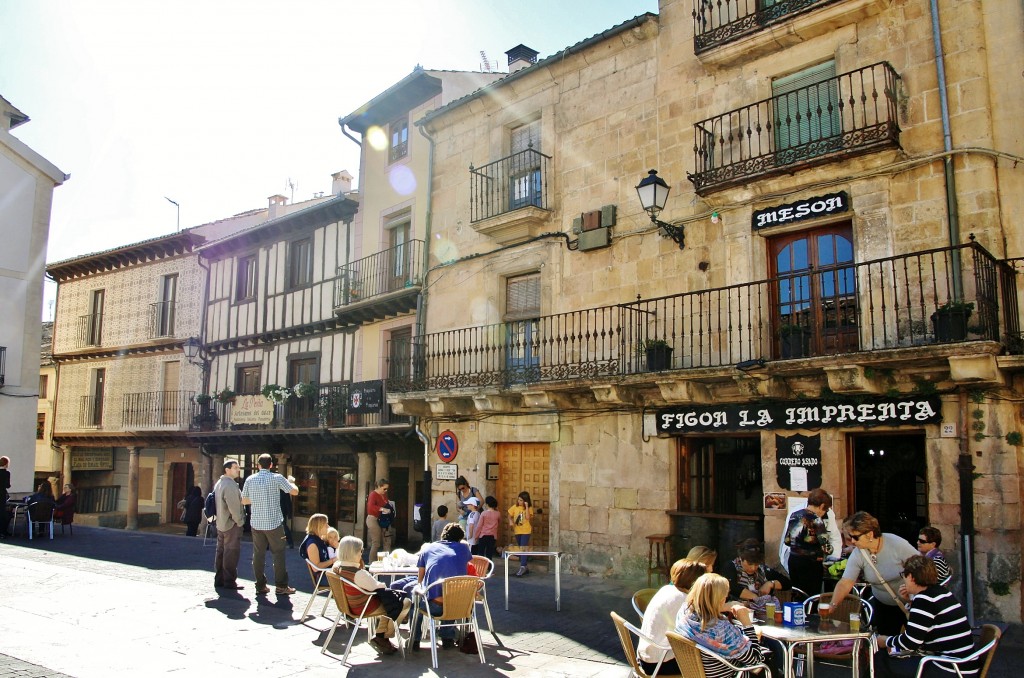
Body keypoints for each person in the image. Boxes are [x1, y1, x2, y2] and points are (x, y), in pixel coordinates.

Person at [873, 556, 976, 678]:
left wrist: (885, 641)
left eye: (904, 575)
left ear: (911, 577)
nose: (904, 580)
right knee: (891, 659)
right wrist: (911, 602)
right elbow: (922, 627)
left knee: (880, 661)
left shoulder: (924, 600)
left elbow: (911, 642)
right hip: (964, 663)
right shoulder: (941, 592)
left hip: (950, 668)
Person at [831, 511, 919, 635]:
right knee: (885, 644)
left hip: (910, 603)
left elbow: (921, 567)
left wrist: (912, 590)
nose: (852, 541)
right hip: (883, 605)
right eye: (850, 537)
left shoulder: (897, 544)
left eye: (855, 537)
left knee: (915, 641)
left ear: (870, 534)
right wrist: (832, 605)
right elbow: (846, 582)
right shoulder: (858, 553)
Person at [675, 573, 768, 678]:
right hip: (731, 674)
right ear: (721, 599)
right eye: (725, 597)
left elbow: (704, 607)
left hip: (702, 672)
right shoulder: (722, 631)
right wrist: (747, 624)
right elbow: (755, 659)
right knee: (767, 657)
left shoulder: (684, 613)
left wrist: (720, 608)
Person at [333, 535, 412, 656]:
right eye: (361, 550)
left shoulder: (337, 567)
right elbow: (379, 586)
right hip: (363, 606)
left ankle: (381, 635)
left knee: (390, 602)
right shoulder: (358, 574)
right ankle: (383, 636)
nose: (361, 553)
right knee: (404, 602)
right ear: (353, 552)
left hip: (348, 604)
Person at [241, 453, 298, 596]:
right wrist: (292, 481)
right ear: (271, 465)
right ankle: (281, 586)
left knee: (258, 555)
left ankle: (260, 586)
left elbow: (244, 501)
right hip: (274, 524)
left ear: (258, 465)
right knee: (278, 554)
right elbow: (295, 492)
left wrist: (257, 500)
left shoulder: (250, 479)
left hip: (256, 523)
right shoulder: (277, 478)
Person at [637, 558, 707, 675]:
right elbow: (701, 631)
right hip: (659, 662)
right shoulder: (684, 600)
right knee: (713, 661)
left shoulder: (667, 589)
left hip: (646, 655)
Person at [413, 522, 472, 651]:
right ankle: (447, 638)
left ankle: (415, 640)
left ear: (443, 536)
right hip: (460, 606)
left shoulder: (428, 548)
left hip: (434, 607)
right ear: (460, 538)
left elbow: (420, 580)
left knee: (415, 599)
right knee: (451, 593)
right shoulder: (464, 549)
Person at [783, 488, 834, 596]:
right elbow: (826, 548)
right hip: (811, 564)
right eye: (826, 510)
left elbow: (787, 541)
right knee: (811, 597)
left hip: (793, 560)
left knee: (797, 594)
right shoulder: (816, 520)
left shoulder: (794, 515)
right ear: (821, 506)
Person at [720, 538, 791, 615]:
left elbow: (787, 583)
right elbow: (731, 587)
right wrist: (755, 597)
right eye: (750, 564)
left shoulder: (762, 570)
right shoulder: (731, 567)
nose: (753, 568)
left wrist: (770, 584)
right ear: (741, 558)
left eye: (756, 564)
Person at [213, 460, 245, 591]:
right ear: (227, 469)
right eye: (235, 467)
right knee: (231, 553)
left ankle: (219, 579)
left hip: (220, 523)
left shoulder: (219, 483)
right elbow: (234, 508)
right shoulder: (230, 485)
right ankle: (229, 581)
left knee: (220, 552)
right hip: (231, 524)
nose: (238, 470)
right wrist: (240, 521)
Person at [507, 491, 533, 577]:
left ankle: (522, 567)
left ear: (526, 501)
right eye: (518, 500)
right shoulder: (515, 507)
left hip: (526, 531)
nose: (519, 501)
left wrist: (526, 506)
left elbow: (528, 518)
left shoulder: (529, 508)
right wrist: (510, 521)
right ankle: (525, 567)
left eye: (521, 500)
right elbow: (509, 514)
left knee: (523, 548)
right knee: (520, 549)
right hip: (517, 531)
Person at [365, 478, 392, 560]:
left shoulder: (383, 495)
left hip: (383, 519)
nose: (386, 490)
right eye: (384, 488)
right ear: (379, 486)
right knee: (376, 542)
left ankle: (386, 561)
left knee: (387, 541)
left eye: (387, 489)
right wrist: (383, 509)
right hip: (373, 518)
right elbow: (370, 507)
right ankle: (371, 563)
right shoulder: (373, 494)